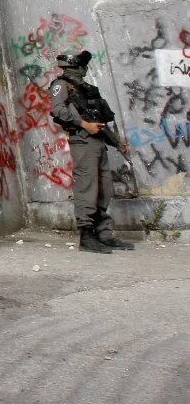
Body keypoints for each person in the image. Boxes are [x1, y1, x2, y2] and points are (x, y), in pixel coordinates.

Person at [49, 51, 136, 254]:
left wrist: (117, 143)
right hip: (82, 140)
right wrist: (83, 124)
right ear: (74, 67)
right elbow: (58, 110)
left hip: (98, 141)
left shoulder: (88, 89)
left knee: (104, 188)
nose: (85, 69)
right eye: (82, 65)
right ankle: (86, 236)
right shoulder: (61, 85)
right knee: (87, 188)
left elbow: (102, 119)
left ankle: (104, 234)